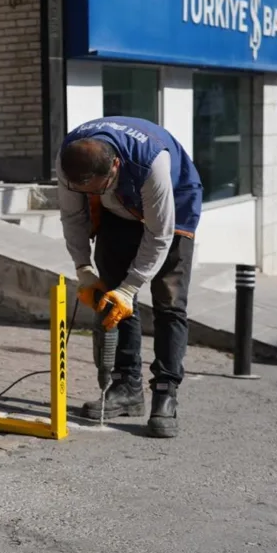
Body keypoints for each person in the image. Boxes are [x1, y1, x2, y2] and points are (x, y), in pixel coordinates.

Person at [56, 116, 203, 438]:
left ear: (115, 167)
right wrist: (84, 270)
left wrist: (131, 286)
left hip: (174, 208)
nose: (86, 192)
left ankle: (165, 393)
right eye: (83, 189)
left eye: (97, 187)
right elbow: (72, 216)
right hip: (117, 212)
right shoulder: (69, 159)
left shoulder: (153, 164)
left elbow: (159, 235)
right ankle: (126, 387)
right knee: (111, 297)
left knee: (169, 302)